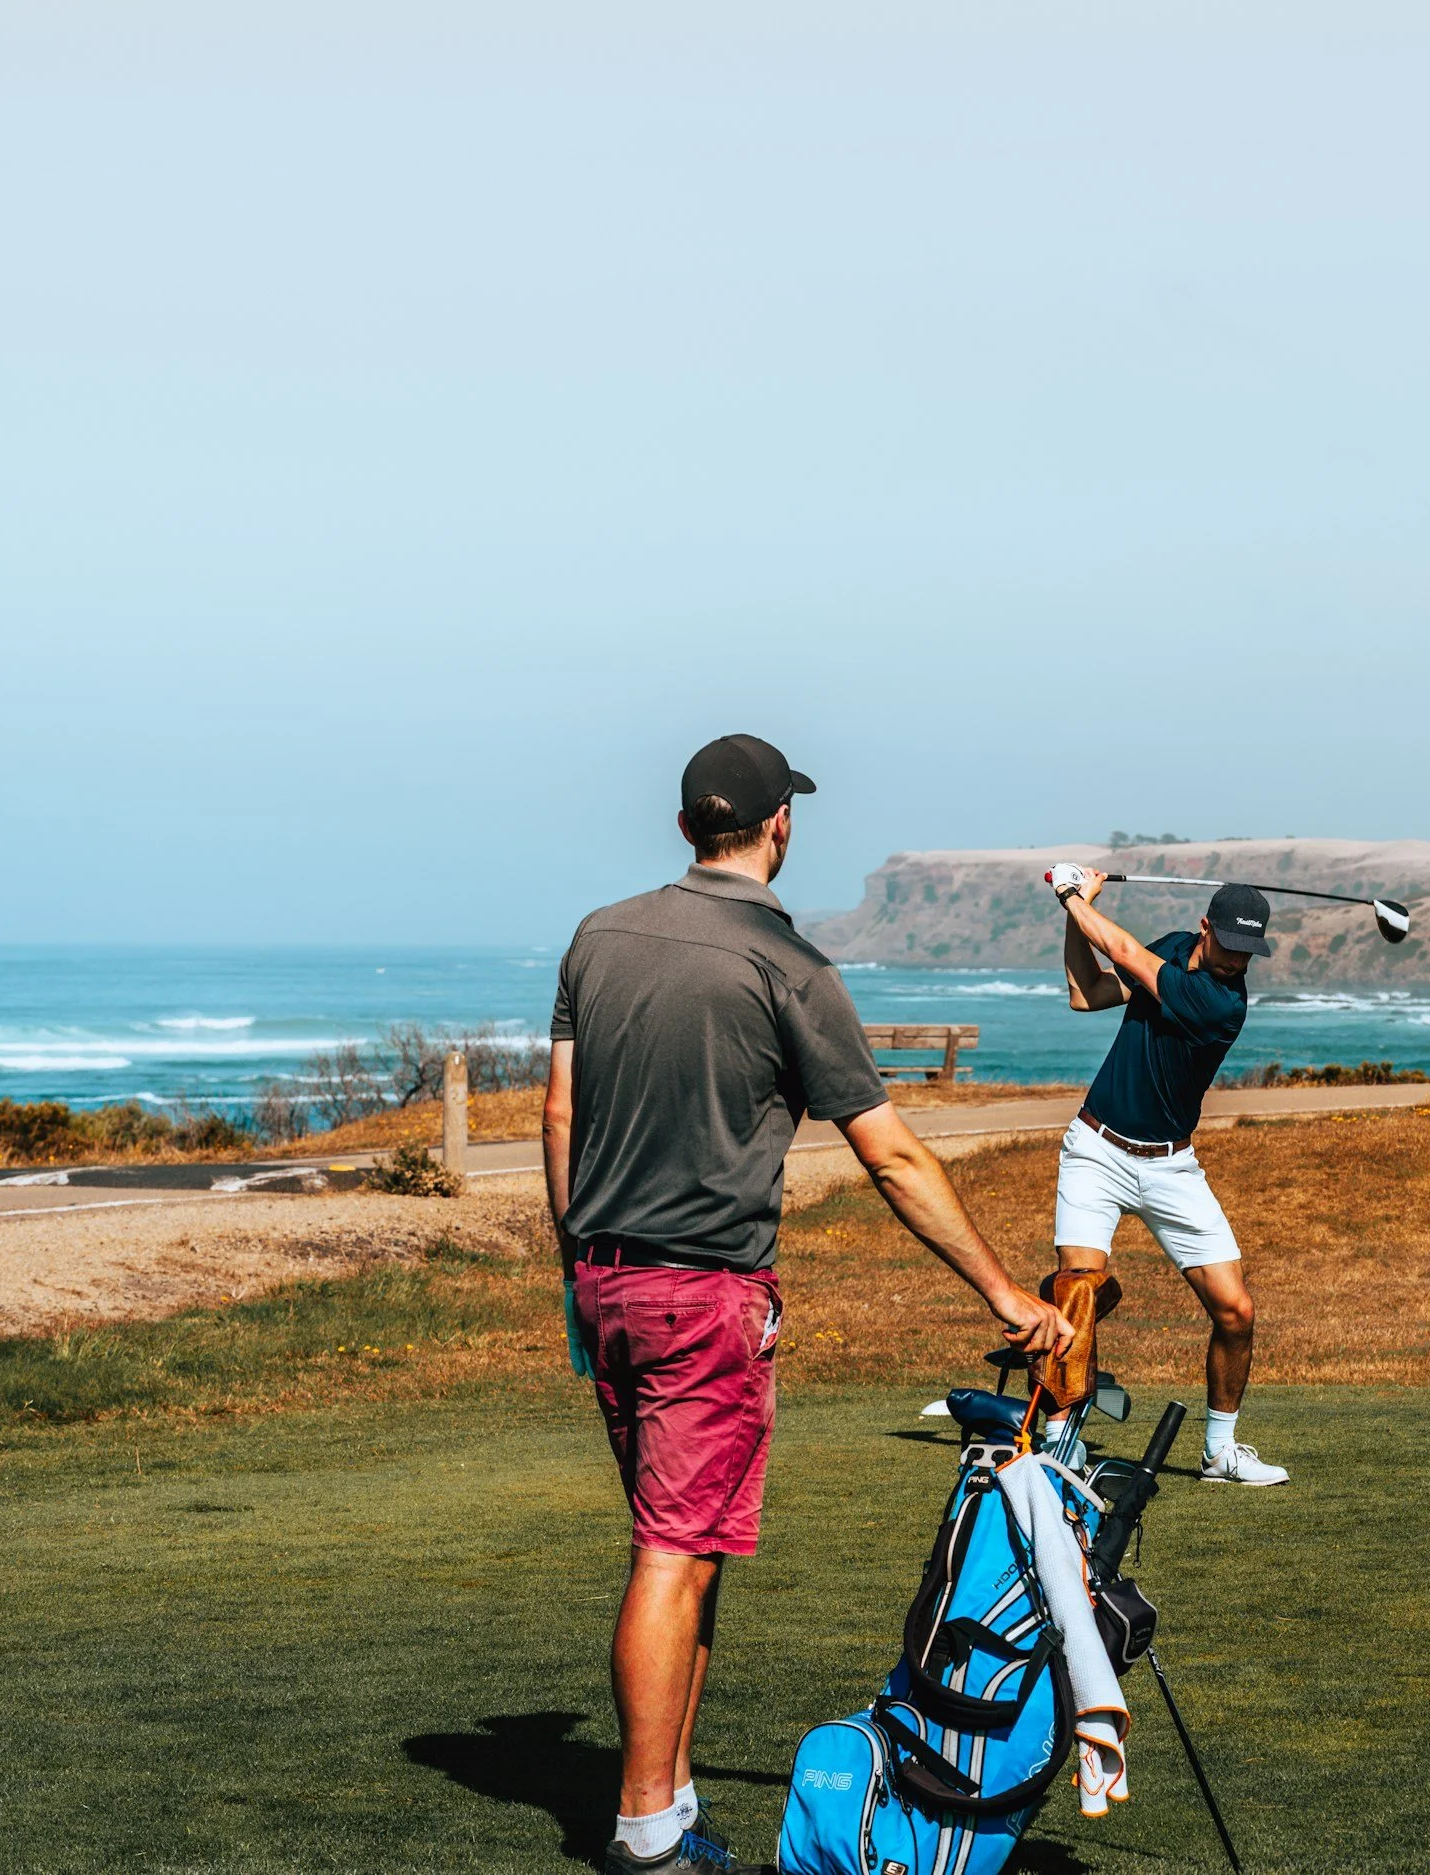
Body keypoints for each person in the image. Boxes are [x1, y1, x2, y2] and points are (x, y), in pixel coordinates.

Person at [545, 734, 1070, 1875]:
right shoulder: (787, 967)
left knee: (686, 1550)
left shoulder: (599, 936)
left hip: (607, 1281)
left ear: (689, 826)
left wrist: (576, 1266)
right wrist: (1001, 1291)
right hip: (704, 1294)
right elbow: (891, 1159)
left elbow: (558, 1115)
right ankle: (643, 1833)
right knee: (674, 1554)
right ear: (781, 824)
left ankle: (671, 1801)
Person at [1046, 862, 1289, 1486]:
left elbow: (1121, 947)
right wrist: (1071, 918)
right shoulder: (1176, 952)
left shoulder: (1220, 1003)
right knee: (1077, 1293)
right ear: (1204, 928)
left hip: (1171, 1167)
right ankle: (1057, 1444)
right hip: (1096, 1151)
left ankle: (1220, 1452)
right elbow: (1088, 992)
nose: (1238, 962)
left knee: (1235, 1311)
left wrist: (1074, 895)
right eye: (1230, 947)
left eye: (1248, 953)